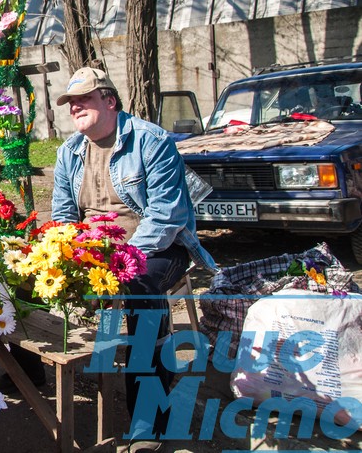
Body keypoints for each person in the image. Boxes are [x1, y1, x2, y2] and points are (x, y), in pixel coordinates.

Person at [51, 67, 217, 452]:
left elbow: (166, 216)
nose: (75, 107)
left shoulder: (151, 140)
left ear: (109, 101)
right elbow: (62, 216)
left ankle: (147, 422)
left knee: (139, 286)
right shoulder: (68, 151)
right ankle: (24, 375)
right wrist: (68, 255)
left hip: (159, 246)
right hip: (97, 251)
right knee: (20, 275)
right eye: (71, 103)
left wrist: (122, 258)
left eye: (84, 99)